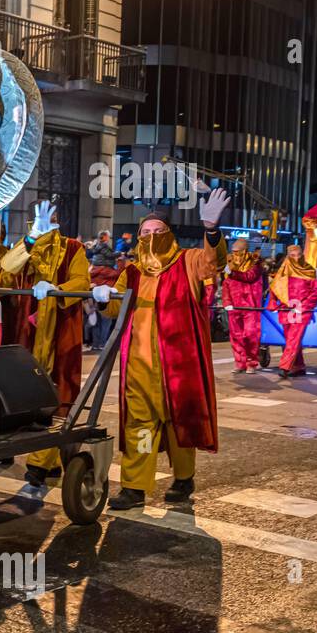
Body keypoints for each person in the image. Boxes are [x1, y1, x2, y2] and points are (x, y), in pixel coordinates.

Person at [92, 189, 231, 509]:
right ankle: (134, 487)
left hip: (180, 366)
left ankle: (183, 478)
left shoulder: (188, 261)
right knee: (139, 426)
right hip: (139, 366)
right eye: (145, 233)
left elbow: (214, 262)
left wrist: (211, 230)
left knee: (181, 423)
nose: (151, 237)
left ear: (169, 235)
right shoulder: (132, 272)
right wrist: (101, 298)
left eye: (158, 232)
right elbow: (115, 309)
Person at [0, 199, 90, 487]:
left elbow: (81, 282)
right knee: (23, 392)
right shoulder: (23, 247)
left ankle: (40, 463)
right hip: (24, 331)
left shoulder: (73, 248)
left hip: (57, 332)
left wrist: (57, 289)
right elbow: (2, 273)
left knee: (55, 393)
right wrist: (32, 239)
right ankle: (38, 459)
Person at [267, 243, 317, 379]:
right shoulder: (283, 270)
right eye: (292, 255)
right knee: (290, 339)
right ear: (288, 256)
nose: (296, 258)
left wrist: (303, 307)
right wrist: (273, 303)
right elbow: (275, 287)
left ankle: (285, 366)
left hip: (301, 310)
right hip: (286, 309)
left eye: (298, 255)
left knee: (293, 338)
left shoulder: (309, 270)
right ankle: (298, 366)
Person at [221, 236, 265, 373]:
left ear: (245, 251)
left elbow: (249, 277)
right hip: (234, 307)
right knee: (236, 335)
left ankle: (251, 362)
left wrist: (232, 272)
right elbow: (226, 285)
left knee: (251, 335)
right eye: (233, 252)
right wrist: (227, 301)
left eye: (238, 252)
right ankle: (240, 362)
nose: (235, 255)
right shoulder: (230, 264)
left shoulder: (255, 264)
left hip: (250, 306)